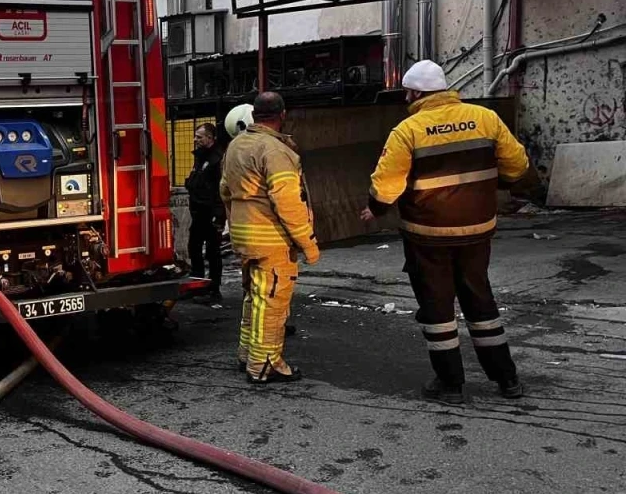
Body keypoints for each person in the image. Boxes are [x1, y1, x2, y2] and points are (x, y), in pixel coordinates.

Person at [361, 60, 531, 403]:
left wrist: (375, 209)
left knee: (438, 309)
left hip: (428, 235)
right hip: (477, 231)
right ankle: (507, 379)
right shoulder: (485, 118)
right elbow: (518, 166)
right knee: (480, 300)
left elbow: (387, 186)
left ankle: (450, 384)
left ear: (414, 93)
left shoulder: (409, 129)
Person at [220, 92, 320, 383]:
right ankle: (264, 366)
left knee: (254, 297)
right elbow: (288, 201)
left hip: (245, 235)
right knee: (273, 301)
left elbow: (225, 191)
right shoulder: (275, 151)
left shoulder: (237, 145)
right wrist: (308, 244)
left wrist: (234, 222)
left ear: (254, 114)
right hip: (270, 238)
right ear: (282, 114)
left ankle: (247, 354)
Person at [185, 123, 225, 299]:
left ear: (210, 138)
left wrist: (219, 216)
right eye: (195, 136)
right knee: (194, 248)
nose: (195, 140)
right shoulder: (201, 157)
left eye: (199, 137)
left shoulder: (217, 159)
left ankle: (214, 289)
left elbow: (220, 189)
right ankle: (197, 284)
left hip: (211, 213)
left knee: (212, 251)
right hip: (198, 211)